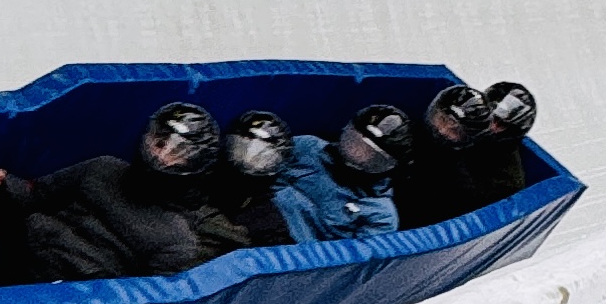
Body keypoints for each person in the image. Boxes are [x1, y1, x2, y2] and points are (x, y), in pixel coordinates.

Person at [23, 102, 244, 281]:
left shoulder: (177, 239)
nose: (161, 156)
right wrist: (1, 185)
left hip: (72, 291)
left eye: (176, 153)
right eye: (159, 143)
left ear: (192, 167)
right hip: (28, 249)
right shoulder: (102, 168)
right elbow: (36, 195)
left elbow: (140, 301)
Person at [273, 103, 409, 244]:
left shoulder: (381, 214)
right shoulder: (308, 147)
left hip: (291, 253)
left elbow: (352, 258)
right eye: (354, 142)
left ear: (384, 164)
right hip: (258, 220)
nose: (356, 153)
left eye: (369, 153)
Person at [393, 81, 492, 232]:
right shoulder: (400, 132)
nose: (442, 130)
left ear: (467, 137)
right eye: (443, 119)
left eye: (455, 131)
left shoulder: (457, 184)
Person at [210, 110, 295, 247]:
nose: (251, 154)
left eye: (264, 155)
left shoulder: (266, 220)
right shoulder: (192, 181)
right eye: (243, 145)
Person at [453, 81, 537, 212]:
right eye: (490, 116)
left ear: (512, 132)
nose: (491, 126)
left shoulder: (505, 181)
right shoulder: (459, 122)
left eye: (501, 124)